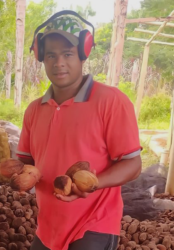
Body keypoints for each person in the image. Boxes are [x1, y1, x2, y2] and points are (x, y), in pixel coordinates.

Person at [17, 11, 142, 250]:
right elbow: (26, 162)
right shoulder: (34, 110)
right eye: (51, 55)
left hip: (94, 224)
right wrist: (17, 176)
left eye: (67, 54)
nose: (59, 62)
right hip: (48, 227)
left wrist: (91, 184)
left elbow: (133, 164)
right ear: (41, 57)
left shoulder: (111, 101)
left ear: (83, 55)